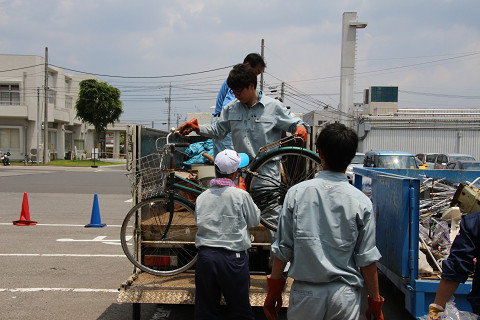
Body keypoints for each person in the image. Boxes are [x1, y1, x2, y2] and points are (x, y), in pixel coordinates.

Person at [178, 63, 309, 253]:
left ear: (252, 85)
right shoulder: (231, 108)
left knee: (275, 226)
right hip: (241, 178)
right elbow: (218, 130)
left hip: (267, 179)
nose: (236, 94)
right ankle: (237, 267)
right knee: (237, 224)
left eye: (239, 90)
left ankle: (278, 272)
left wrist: (302, 127)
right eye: (233, 91)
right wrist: (198, 129)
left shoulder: (273, 108)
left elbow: (297, 123)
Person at [263, 123, 384, 320]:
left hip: (306, 294)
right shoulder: (361, 201)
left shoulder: (296, 193)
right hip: (344, 296)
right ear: (351, 156)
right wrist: (375, 302)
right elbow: (367, 259)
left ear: (320, 154)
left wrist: (273, 291)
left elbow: (284, 248)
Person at [194, 149, 261, 320]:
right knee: (240, 312)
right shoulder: (240, 195)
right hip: (233, 259)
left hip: (206, 257)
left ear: (214, 168)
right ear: (236, 172)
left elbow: (199, 220)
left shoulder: (202, 197)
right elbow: (254, 220)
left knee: (206, 312)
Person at [212, 53, 266, 157]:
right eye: (255, 72)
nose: (255, 76)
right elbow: (231, 108)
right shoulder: (238, 83)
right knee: (231, 163)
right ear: (247, 65)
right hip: (226, 124)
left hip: (226, 124)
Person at [428, 211, 480, 319]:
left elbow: (457, 266)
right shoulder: (474, 222)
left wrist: (436, 309)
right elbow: (457, 265)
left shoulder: (475, 222)